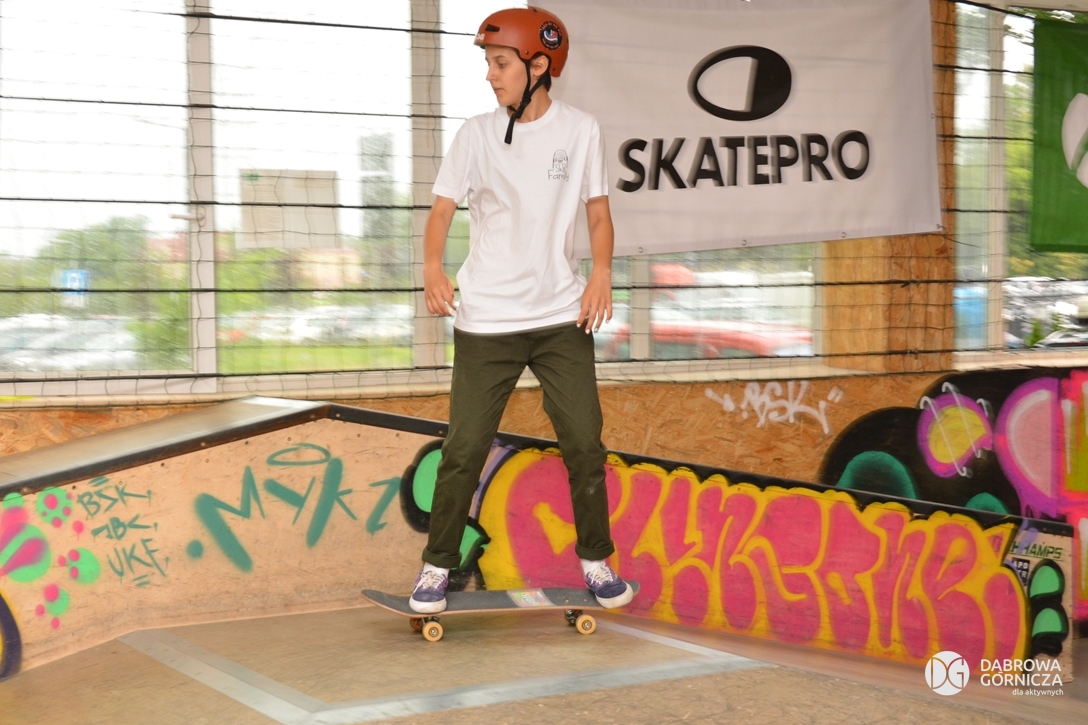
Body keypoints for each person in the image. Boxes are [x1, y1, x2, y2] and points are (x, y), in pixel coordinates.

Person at [408, 6, 634, 614]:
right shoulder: (475, 134)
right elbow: (441, 210)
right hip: (488, 321)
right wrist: (432, 267)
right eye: (488, 62)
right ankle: (437, 566)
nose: (490, 74)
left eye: (501, 63)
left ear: (538, 66)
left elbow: (597, 212)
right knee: (464, 449)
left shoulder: (580, 130)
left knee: (584, 444)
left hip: (561, 316)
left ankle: (596, 561)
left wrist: (602, 274)